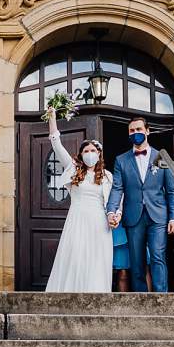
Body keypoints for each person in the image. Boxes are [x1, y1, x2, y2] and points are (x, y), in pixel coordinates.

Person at [106, 116, 174, 292]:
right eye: (132, 131)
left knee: (157, 255)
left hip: (158, 215)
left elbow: (171, 191)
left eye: (139, 129)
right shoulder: (121, 160)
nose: (135, 133)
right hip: (133, 216)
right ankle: (141, 298)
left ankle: (162, 297)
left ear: (147, 131)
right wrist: (111, 211)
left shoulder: (162, 157)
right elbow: (117, 188)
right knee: (136, 260)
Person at [44, 107, 114, 292]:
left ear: (99, 154)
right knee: (76, 257)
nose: (90, 153)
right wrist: (52, 118)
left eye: (93, 150)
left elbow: (115, 200)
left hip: (99, 221)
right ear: (81, 155)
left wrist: (115, 215)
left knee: (98, 258)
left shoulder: (108, 176)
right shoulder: (74, 169)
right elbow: (56, 143)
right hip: (77, 219)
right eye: (86, 151)